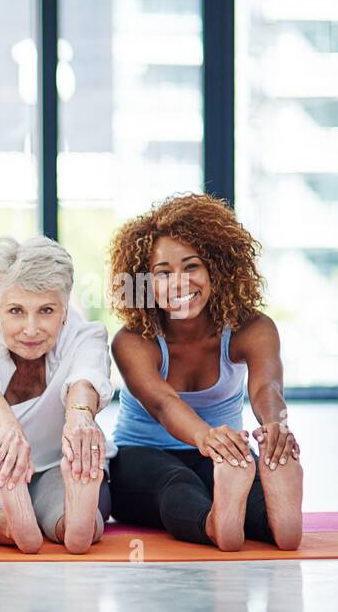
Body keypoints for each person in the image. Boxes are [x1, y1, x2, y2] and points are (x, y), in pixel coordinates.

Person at [108, 193, 303, 551]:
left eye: (192, 266)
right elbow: (163, 403)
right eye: (163, 273)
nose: (179, 283)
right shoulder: (133, 340)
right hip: (140, 457)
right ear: (144, 283)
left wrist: (276, 425)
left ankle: (280, 523)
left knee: (249, 492)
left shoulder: (252, 328)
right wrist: (208, 438)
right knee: (177, 483)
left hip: (220, 455)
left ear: (218, 267)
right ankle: (215, 525)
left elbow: (266, 388)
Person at [0, 236, 114, 554]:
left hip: (58, 461)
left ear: (65, 310)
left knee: (70, 498)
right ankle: (15, 522)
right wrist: (8, 430)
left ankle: (75, 525)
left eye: (46, 311)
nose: (31, 328)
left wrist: (81, 417)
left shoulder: (86, 335)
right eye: (16, 311)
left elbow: (87, 377)